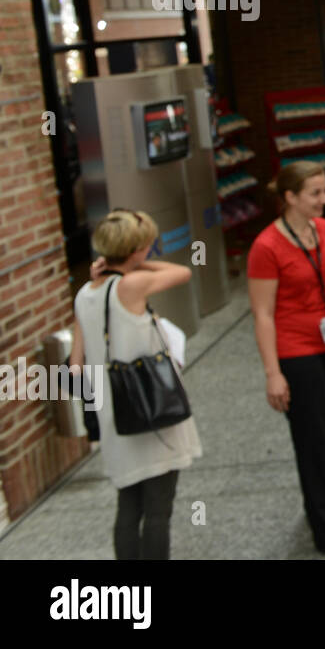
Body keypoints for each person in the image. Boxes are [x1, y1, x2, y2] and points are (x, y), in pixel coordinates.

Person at [248, 161, 325, 560]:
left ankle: (316, 503)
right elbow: (263, 314)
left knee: (319, 433)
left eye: (324, 189)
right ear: (289, 198)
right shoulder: (266, 247)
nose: (324, 198)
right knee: (315, 441)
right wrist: (272, 374)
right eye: (314, 193)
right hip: (295, 352)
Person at [71, 209, 201, 559]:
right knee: (159, 510)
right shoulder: (130, 285)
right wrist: (135, 266)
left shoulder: (85, 293)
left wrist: (118, 265)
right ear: (137, 249)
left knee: (129, 505)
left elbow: (76, 361)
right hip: (151, 405)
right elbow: (183, 272)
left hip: (114, 411)